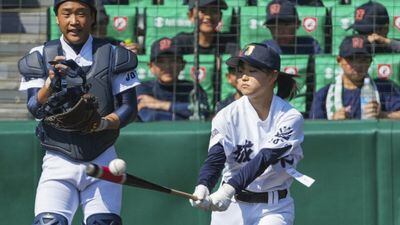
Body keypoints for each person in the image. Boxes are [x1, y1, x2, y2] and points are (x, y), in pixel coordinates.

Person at [18, 0, 139, 224]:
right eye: (67, 13)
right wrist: (50, 84)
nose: (74, 21)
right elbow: (34, 109)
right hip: (58, 159)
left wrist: (103, 123)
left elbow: (130, 109)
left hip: (103, 159)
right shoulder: (39, 56)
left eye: (81, 13)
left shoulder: (114, 55)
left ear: (92, 17)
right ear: (57, 17)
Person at [189, 43, 312, 225]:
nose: (244, 77)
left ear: (272, 76)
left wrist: (228, 189)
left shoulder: (290, 116)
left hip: (273, 207)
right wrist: (203, 185)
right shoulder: (226, 115)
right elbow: (216, 158)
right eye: (240, 71)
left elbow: (264, 159)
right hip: (231, 206)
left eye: (252, 71)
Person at [309, 35, 400, 120]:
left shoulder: (384, 88)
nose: (358, 65)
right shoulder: (324, 94)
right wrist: (332, 121)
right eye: (351, 59)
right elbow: (312, 129)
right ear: (339, 60)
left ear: (370, 61)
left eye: (363, 60)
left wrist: (383, 115)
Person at [136, 37, 209, 121]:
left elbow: (203, 111)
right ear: (151, 67)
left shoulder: (192, 88)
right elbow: (148, 117)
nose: (167, 66)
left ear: (183, 64)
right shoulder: (143, 88)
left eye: (173, 60)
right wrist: (183, 113)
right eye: (161, 61)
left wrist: (160, 105)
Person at [172, 0, 238, 55]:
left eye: (214, 11)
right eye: (202, 11)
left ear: (220, 17)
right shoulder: (180, 43)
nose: (208, 16)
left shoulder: (229, 43)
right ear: (190, 16)